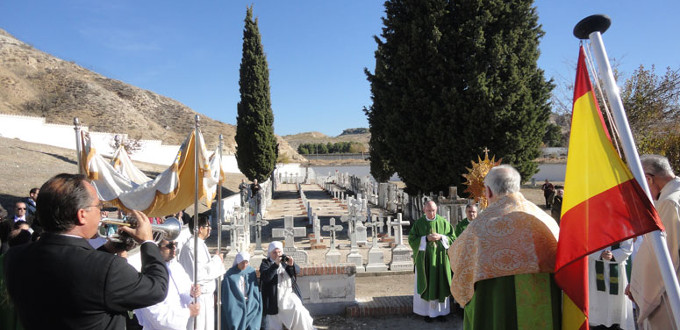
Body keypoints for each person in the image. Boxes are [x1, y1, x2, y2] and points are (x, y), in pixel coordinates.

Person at [3, 173, 169, 329]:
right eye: (99, 206)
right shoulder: (108, 269)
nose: (101, 211)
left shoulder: (15, 257)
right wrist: (148, 242)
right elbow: (157, 289)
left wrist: (108, 249)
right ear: (81, 215)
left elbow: (74, 276)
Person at [449, 165, 561, 329]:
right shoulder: (546, 220)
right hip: (542, 305)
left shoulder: (479, 227)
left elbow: (459, 264)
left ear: (488, 191)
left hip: (496, 308)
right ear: (517, 186)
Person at [628, 154, 680, 329]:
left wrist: (636, 288)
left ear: (649, 179)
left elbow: (661, 257)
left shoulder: (669, 203)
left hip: (670, 297)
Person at [135, 239, 201, 330]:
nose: (174, 248)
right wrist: (188, 312)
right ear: (156, 249)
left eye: (175, 244)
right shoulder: (147, 276)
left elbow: (184, 292)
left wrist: (192, 294)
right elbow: (159, 318)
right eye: (169, 246)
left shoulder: (176, 266)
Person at [408, 200, 455, 322]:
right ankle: (427, 313)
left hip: (440, 260)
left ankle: (441, 313)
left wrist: (441, 237)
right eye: (429, 210)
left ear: (436, 209)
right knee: (427, 283)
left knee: (441, 282)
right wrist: (425, 239)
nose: (431, 213)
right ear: (424, 210)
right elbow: (412, 240)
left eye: (433, 210)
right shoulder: (419, 224)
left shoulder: (443, 222)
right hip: (425, 261)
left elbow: (452, 238)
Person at [179, 214, 224, 330]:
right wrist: (217, 260)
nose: (210, 229)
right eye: (208, 226)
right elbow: (199, 274)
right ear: (200, 229)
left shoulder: (199, 245)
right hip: (198, 297)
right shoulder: (192, 247)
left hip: (207, 297)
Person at [260, 241, 314, 330]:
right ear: (270, 253)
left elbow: (297, 272)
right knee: (273, 321)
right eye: (274, 252)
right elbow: (266, 278)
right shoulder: (266, 263)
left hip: (288, 294)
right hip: (273, 298)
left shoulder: (285, 261)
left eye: (279, 252)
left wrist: (291, 265)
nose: (277, 255)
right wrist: (275, 265)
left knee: (299, 310)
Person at [588, 239, 635, 329]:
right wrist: (599, 254)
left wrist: (614, 255)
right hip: (595, 266)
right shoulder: (592, 225)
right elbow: (585, 243)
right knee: (598, 299)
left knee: (616, 301)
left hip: (616, 267)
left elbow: (628, 247)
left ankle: (615, 324)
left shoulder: (622, 225)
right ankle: (598, 325)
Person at [221, 251, 262, 330]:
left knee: (254, 314)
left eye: (246, 262)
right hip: (235, 303)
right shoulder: (230, 274)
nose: (244, 265)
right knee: (234, 317)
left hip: (250, 302)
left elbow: (255, 289)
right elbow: (227, 294)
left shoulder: (250, 271)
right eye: (242, 263)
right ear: (238, 262)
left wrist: (252, 300)